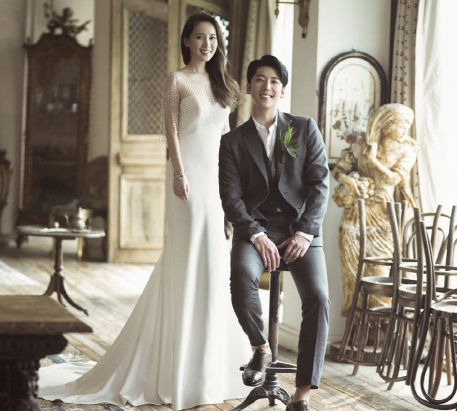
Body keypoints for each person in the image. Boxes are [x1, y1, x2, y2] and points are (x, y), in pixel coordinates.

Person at [38, 12, 251, 410]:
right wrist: (179, 173)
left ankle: (210, 363)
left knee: (213, 260)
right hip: (187, 179)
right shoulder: (177, 80)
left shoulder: (223, 83)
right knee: (186, 257)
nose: (207, 44)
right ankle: (176, 364)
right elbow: (170, 131)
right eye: (200, 37)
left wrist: (232, 181)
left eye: (212, 38)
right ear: (186, 41)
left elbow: (225, 136)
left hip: (215, 182)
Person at [218, 55, 330, 411]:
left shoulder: (304, 128)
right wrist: (256, 235)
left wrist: (305, 233)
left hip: (301, 232)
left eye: (274, 82)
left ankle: (302, 394)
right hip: (255, 232)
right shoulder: (232, 141)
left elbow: (320, 185)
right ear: (248, 87)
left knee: (318, 297)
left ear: (282, 90)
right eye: (259, 80)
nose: (266, 87)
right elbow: (231, 198)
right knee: (241, 276)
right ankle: (260, 347)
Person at [331, 103, 418, 317]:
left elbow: (394, 179)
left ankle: (379, 325)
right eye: (401, 124)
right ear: (386, 125)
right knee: (352, 273)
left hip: (383, 216)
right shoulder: (361, 144)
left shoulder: (407, 150)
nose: (405, 130)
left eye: (407, 125)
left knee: (381, 272)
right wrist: (350, 181)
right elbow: (339, 170)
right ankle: (355, 324)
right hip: (355, 215)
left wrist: (372, 159)